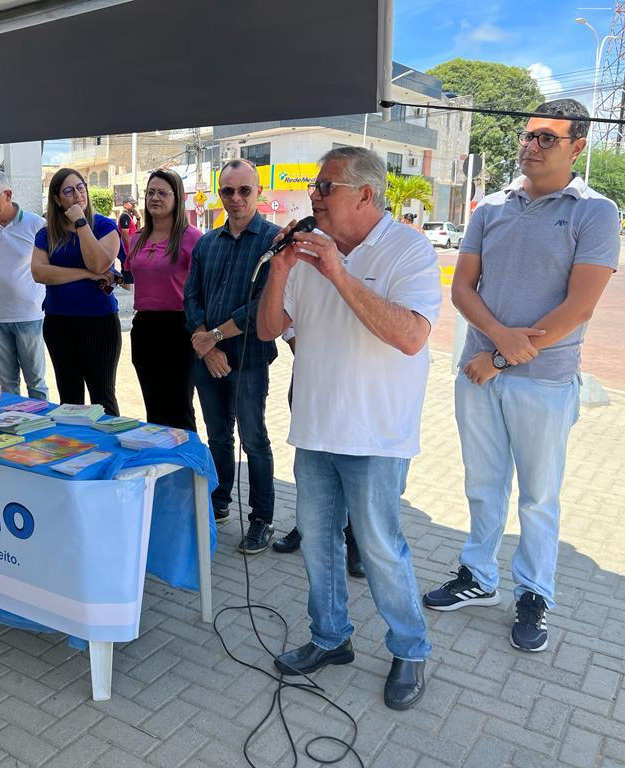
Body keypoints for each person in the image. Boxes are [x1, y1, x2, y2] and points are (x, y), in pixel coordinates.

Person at [422, 99, 618, 654]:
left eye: (546, 139)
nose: (530, 146)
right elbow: (462, 288)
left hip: (544, 380)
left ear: (578, 146)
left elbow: (579, 307)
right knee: (483, 486)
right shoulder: (490, 207)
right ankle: (478, 577)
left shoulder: (594, 212)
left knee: (538, 497)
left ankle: (534, 592)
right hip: (480, 376)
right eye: (528, 136)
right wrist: (497, 341)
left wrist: (504, 354)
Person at [257, 146, 441, 710]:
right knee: (317, 544)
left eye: (326, 186)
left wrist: (337, 271)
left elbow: (410, 335)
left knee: (381, 548)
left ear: (366, 194)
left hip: (376, 434)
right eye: (314, 185)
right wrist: (282, 269)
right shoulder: (306, 250)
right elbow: (268, 331)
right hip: (315, 427)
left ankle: (410, 647)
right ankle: (330, 638)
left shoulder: (408, 250)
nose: (313, 194)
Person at [184, 158, 280, 554]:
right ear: (219, 193)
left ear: (258, 192)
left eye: (244, 190)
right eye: (228, 191)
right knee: (218, 436)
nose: (236, 198)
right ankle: (219, 500)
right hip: (208, 359)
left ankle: (261, 518)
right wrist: (206, 345)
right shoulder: (207, 243)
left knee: (253, 439)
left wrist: (215, 337)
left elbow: (264, 307)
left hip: (250, 358)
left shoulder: (275, 242)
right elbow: (191, 297)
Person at [271, 326, 366, 580]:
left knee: (353, 461)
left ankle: (355, 540)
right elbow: (287, 313)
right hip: (309, 381)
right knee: (310, 460)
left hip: (357, 383)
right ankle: (306, 527)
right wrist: (294, 339)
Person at [32, 168, 124, 414]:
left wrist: (81, 222)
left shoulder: (105, 227)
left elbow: (98, 263)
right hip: (59, 323)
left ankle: (107, 451)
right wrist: (85, 274)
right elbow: (40, 273)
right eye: (68, 191)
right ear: (56, 199)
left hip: (100, 324)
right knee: (70, 399)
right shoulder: (46, 234)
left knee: (102, 398)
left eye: (81, 188)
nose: (77, 195)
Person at [124, 169, 201, 429]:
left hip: (180, 329)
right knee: (154, 409)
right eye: (150, 192)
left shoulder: (192, 238)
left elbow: (201, 288)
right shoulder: (136, 238)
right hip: (145, 328)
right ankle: (159, 467)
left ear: (177, 197)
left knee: (179, 409)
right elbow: (130, 277)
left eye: (162, 193)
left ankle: (186, 467)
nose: (155, 198)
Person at [0, 170, 48, 399]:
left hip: (29, 315)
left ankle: (39, 430)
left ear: (8, 194)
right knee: (8, 386)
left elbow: (45, 265)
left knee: (36, 383)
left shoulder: (36, 224)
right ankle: (13, 429)